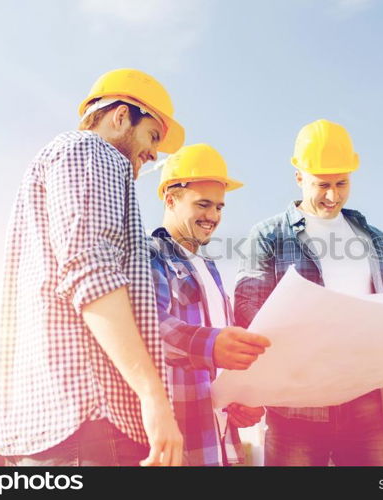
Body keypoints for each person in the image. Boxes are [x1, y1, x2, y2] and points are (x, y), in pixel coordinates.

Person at [0, 68, 186, 466]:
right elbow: (92, 274)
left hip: (48, 422)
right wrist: (152, 395)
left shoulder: (52, 164)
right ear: (120, 117)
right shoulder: (95, 153)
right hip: (93, 418)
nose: (153, 155)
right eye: (152, 136)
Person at [235, 119, 383, 466]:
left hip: (370, 404)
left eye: (341, 183)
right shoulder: (269, 235)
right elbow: (247, 310)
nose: (332, 195)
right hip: (297, 408)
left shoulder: (372, 239)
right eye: (322, 184)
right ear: (299, 177)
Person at [149, 144, 269, 465]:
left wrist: (245, 400)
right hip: (179, 444)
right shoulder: (150, 253)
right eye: (203, 204)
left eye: (219, 207)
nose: (213, 216)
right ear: (171, 199)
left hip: (221, 444)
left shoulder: (210, 269)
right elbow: (148, 329)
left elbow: (219, 363)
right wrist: (213, 345)